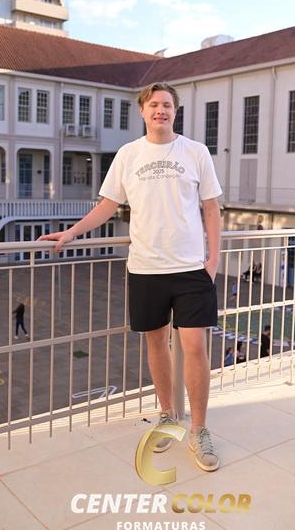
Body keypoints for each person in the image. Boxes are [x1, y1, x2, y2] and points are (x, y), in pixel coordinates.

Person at [38, 82, 222, 472]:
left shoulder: (196, 152)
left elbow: (211, 208)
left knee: (194, 346)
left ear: (175, 111)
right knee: (156, 344)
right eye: (154, 104)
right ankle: (168, 417)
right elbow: (108, 205)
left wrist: (213, 261)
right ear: (142, 111)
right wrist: (72, 232)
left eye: (167, 104)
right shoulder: (128, 154)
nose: (160, 110)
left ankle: (200, 430)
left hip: (190, 269)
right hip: (145, 268)